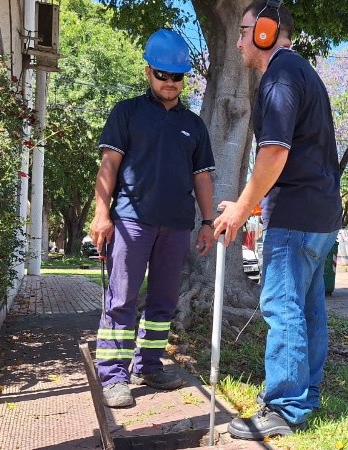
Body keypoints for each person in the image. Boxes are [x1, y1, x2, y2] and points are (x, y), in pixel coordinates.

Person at [212, 0, 342, 440]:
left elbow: (273, 153)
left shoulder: (281, 77)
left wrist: (242, 207)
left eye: (245, 30)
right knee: (308, 309)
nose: (239, 40)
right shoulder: (303, 73)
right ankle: (305, 396)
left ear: (266, 32)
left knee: (282, 307)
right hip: (321, 215)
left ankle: (284, 407)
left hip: (297, 216)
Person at [89, 28, 216, 408]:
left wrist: (207, 222)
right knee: (122, 298)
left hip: (176, 226)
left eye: (177, 76)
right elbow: (109, 163)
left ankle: (150, 365)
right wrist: (101, 214)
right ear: (148, 72)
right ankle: (113, 375)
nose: (170, 83)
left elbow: (202, 176)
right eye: (162, 74)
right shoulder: (127, 113)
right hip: (130, 221)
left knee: (162, 302)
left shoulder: (193, 125)